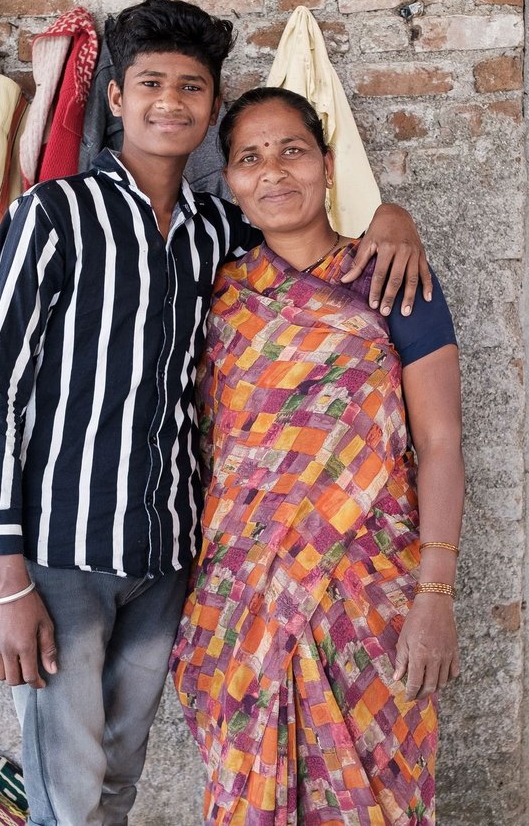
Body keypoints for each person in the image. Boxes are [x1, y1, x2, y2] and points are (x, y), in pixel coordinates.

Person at [0, 1, 433, 826]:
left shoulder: (220, 231)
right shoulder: (55, 215)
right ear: (117, 97)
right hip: (63, 555)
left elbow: (309, 239)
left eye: (191, 87)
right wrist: (5, 579)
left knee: (118, 782)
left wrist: (394, 217)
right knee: (66, 797)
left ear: (212, 107)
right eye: (150, 83)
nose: (170, 102)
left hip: (169, 557)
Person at [171, 87, 465, 825]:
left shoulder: (393, 282)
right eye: (250, 158)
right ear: (230, 182)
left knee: (378, 794)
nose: (273, 171)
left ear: (328, 165)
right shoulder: (218, 294)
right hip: (242, 599)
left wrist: (436, 596)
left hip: (368, 595)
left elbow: (440, 444)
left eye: (292, 151)